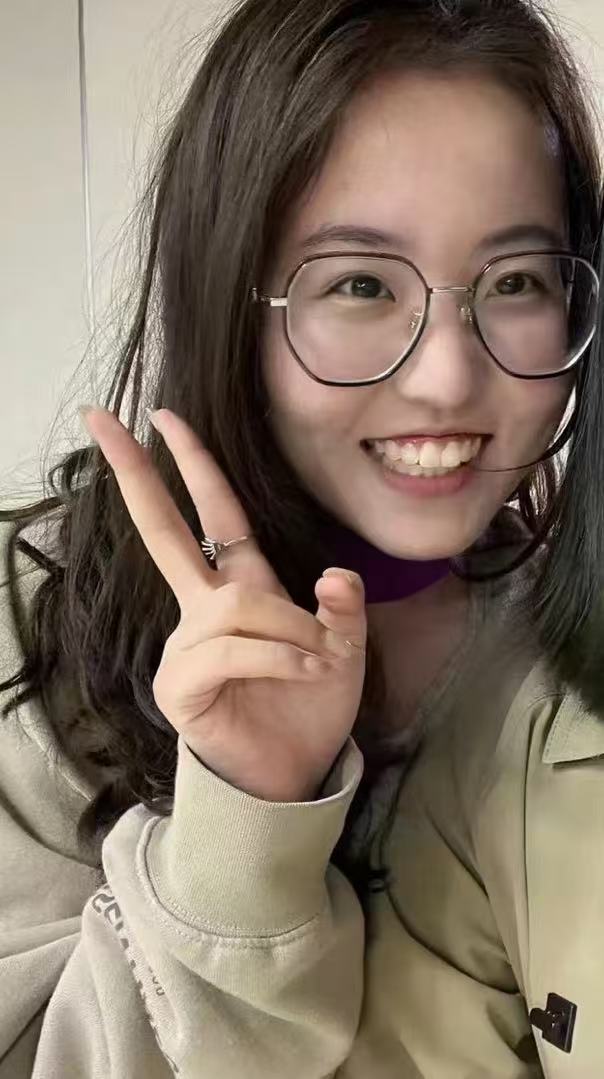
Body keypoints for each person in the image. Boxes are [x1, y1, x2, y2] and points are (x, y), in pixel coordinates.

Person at [1, 0, 603, 1075]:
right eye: (360, 284)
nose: (446, 379)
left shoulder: (562, 668)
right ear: (231, 302)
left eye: (515, 281)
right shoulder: (37, 630)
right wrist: (242, 823)